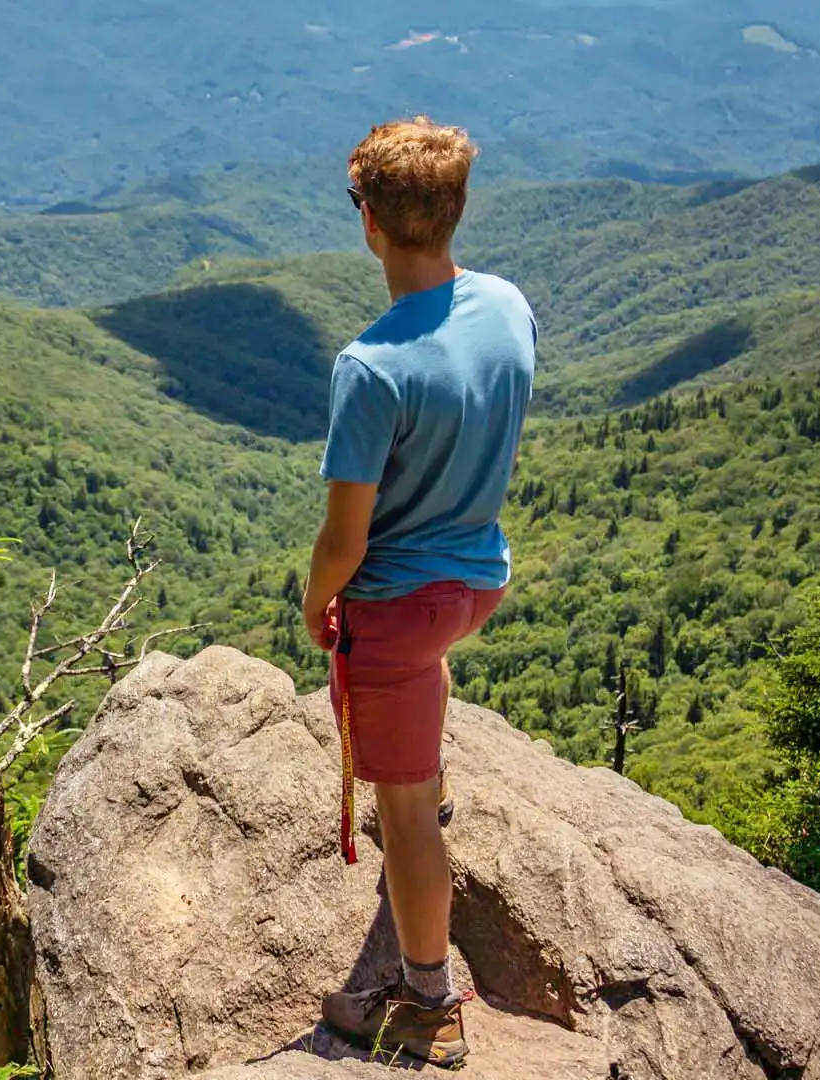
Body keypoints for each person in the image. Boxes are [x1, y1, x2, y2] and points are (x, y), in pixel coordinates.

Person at [302, 117, 536, 1067]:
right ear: (455, 209)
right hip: (479, 577)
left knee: (401, 818)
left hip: (398, 609)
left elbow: (344, 539)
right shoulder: (508, 305)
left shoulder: (370, 369)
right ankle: (421, 787)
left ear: (369, 222)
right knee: (417, 725)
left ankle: (429, 1001)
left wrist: (315, 603)